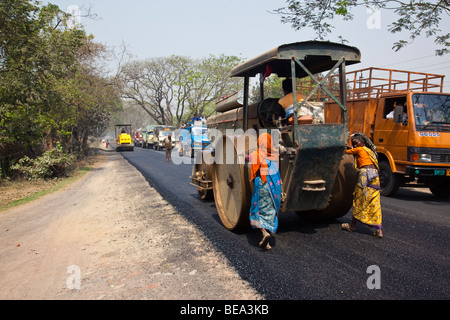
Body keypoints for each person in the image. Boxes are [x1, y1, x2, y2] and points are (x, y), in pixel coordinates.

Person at [342, 132, 383, 238]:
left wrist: (346, 147)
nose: (355, 145)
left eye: (356, 143)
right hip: (375, 176)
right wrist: (352, 146)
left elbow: (348, 151)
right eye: (354, 143)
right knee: (375, 202)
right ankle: (379, 231)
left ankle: (352, 226)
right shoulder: (369, 151)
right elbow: (356, 150)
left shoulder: (360, 149)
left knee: (359, 199)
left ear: (363, 142)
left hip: (365, 174)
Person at [249, 133, 282, 250]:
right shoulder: (274, 154)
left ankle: (264, 233)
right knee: (269, 212)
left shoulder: (255, 154)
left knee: (258, 210)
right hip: (273, 188)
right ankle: (267, 243)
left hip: (262, 185)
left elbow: (249, 160)